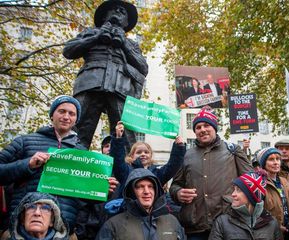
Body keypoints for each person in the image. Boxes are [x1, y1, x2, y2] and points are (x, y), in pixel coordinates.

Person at [0, 95, 117, 238]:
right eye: (62, 111)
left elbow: (85, 198)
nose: (66, 116)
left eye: (71, 114)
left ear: (76, 120)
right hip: (22, 227)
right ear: (52, 115)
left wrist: (103, 190)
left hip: (64, 230)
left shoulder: (82, 153)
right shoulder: (25, 141)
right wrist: (28, 164)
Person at [63, 0, 149, 150]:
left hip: (121, 88)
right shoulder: (90, 32)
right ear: (104, 17)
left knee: (125, 134)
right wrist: (96, 37)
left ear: (126, 22)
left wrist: (124, 45)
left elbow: (143, 67)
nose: (118, 13)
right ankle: (68, 167)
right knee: (78, 129)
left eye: (122, 12)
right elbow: (68, 51)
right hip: (90, 83)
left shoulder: (131, 44)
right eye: (114, 10)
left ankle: (130, 171)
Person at [170, 106, 252, 239]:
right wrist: (178, 193)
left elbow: (250, 182)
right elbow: (174, 186)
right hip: (196, 227)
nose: (202, 130)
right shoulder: (187, 155)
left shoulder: (232, 150)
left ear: (215, 128)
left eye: (206, 125)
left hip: (229, 224)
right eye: (198, 127)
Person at [96, 168, 186, 239]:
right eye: (140, 187)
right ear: (131, 192)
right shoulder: (113, 225)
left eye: (150, 187)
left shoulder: (172, 221)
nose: (147, 191)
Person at [209, 172, 282, 240]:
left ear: (251, 196)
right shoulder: (222, 222)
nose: (233, 194)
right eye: (234, 190)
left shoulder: (272, 223)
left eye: (239, 190)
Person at [257, 147, 289, 238]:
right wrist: (277, 226)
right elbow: (258, 213)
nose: (276, 162)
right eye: (271, 159)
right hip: (271, 233)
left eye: (278, 159)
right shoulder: (260, 184)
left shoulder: (284, 181)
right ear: (263, 164)